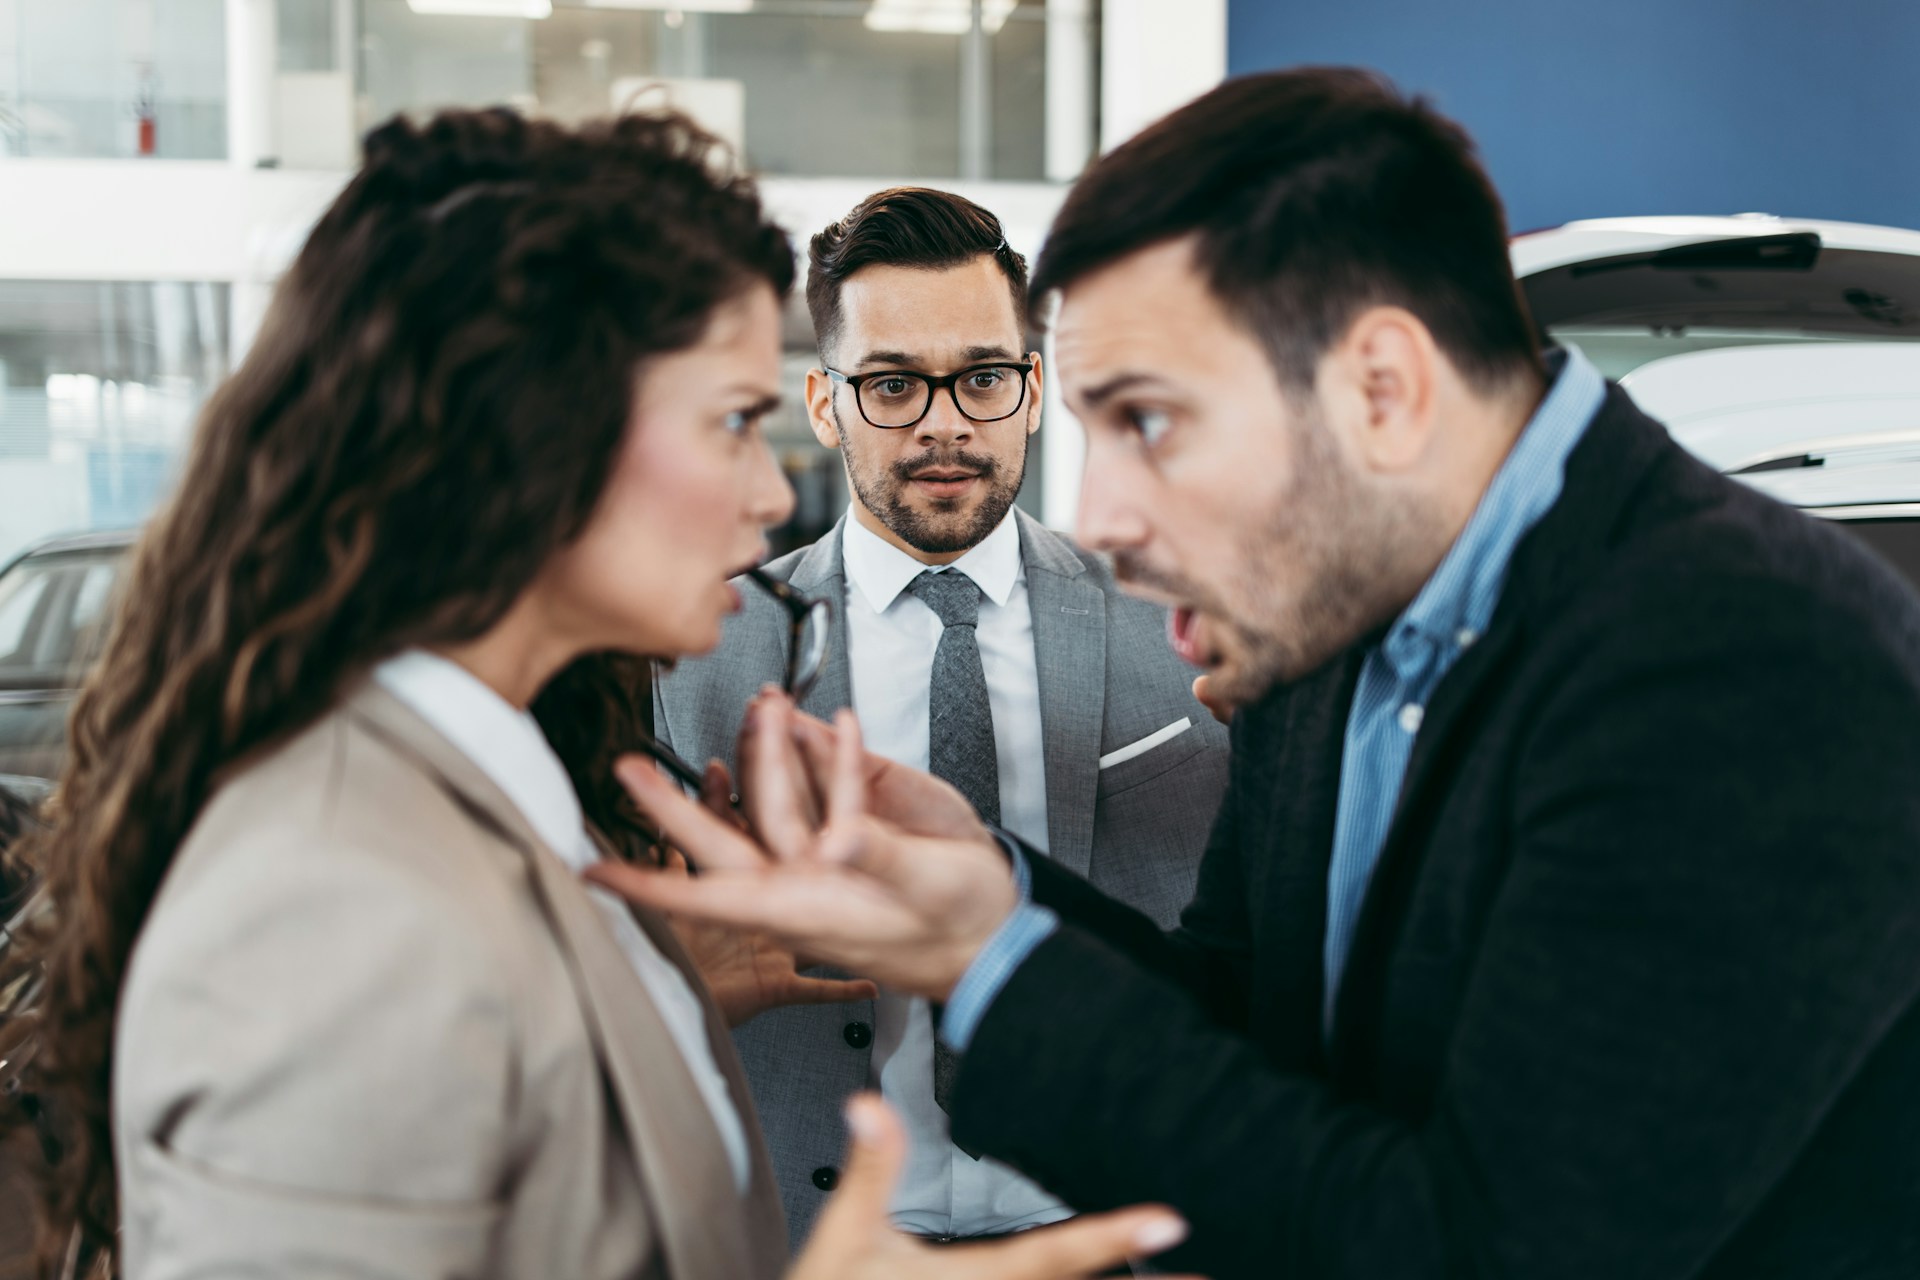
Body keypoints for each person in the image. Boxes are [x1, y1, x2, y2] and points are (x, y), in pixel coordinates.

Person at [591, 68, 1920, 1279]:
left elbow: (1481, 1252)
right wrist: (986, 902)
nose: (1097, 514)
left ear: (1382, 390)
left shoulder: (1757, 665)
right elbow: (1247, 1035)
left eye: (1150, 421)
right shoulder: (1323, 626)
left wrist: (995, 964)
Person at [0, 108, 1192, 1280]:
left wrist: (651, 994)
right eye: (732, 420)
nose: (771, 498)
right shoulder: (327, 894)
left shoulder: (497, 802)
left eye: (981, 375)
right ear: (536, 438)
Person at [653, 186, 1228, 1249]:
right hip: (818, 1242)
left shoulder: (1181, 619)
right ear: (825, 406)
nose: (945, 421)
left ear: (1033, 389)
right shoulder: (695, 645)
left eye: (980, 376)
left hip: (1115, 1230)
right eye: (892, 384)